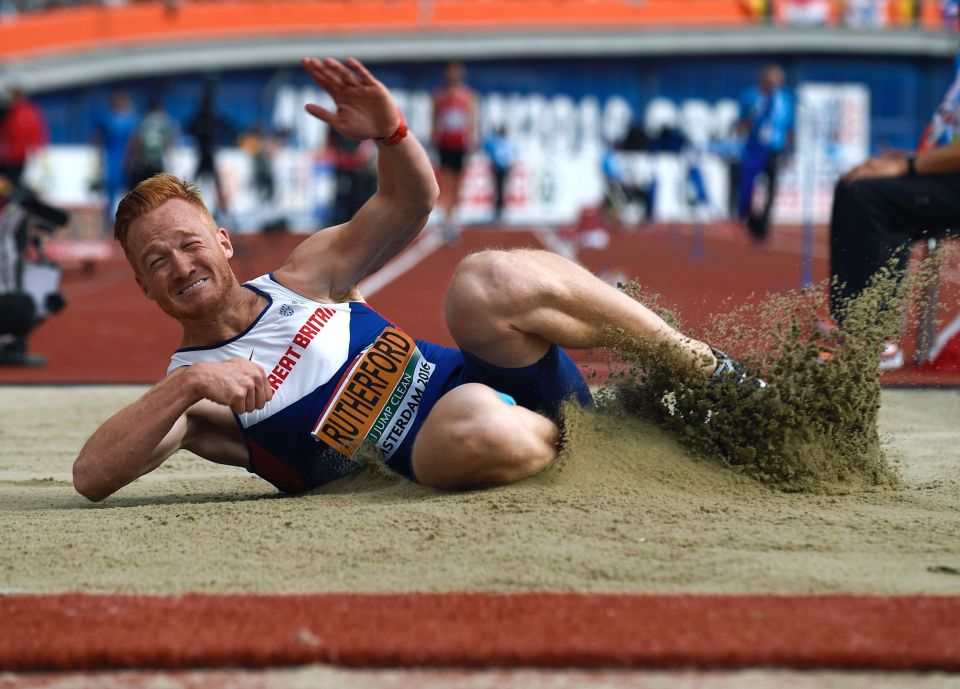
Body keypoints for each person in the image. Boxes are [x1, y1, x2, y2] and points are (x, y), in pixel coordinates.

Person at [71, 57, 759, 503]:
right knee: (468, 424)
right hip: (453, 446)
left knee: (481, 279)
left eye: (189, 244)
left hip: (504, 383)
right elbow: (92, 475)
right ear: (143, 287)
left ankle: (699, 365)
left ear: (221, 241)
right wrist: (191, 381)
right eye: (156, 262)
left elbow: (411, 202)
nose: (181, 266)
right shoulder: (192, 396)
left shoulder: (305, 274)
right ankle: (628, 447)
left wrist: (393, 136)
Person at [828, 51, 960, 370]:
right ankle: (854, 323)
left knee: (868, 197)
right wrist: (907, 159)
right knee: (852, 184)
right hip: (947, 178)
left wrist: (907, 166)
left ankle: (876, 337)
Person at [734, 65, 795, 242]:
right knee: (748, 186)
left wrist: (790, 150)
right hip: (754, 148)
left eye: (779, 79)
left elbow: (790, 127)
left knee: (772, 188)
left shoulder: (786, 99)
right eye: (772, 79)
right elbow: (741, 123)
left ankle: (764, 225)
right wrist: (752, 118)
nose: (775, 83)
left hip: (775, 149)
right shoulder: (751, 96)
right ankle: (750, 218)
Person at [432, 61, 476, 244]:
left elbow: (471, 121)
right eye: (450, 72)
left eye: (456, 72)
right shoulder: (440, 97)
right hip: (445, 145)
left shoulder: (467, 97)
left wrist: (471, 142)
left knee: (457, 186)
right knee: (446, 184)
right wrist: (434, 139)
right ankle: (447, 222)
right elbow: (434, 120)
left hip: (460, 146)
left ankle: (453, 220)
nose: (453, 76)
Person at [93, 90, 139, 229]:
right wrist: (100, 155)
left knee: (128, 187)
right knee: (111, 187)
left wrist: (132, 158)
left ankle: (128, 216)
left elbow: (134, 140)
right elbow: (99, 137)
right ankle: (109, 219)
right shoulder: (107, 118)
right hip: (111, 156)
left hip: (126, 156)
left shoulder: (131, 119)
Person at [188, 80, 232, 218]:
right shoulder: (205, 118)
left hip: (207, 154)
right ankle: (189, 207)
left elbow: (226, 128)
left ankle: (223, 211)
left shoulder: (208, 117)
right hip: (205, 154)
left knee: (208, 184)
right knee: (196, 184)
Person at [0, 83, 48, 187]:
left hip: (17, 157)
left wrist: (36, 150)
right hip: (7, 156)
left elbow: (34, 133)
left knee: (12, 184)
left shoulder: (25, 112)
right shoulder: (8, 111)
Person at [128, 96, 178, 188]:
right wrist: (171, 159)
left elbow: (137, 141)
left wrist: (134, 159)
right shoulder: (166, 121)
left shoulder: (143, 120)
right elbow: (168, 141)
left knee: (144, 186)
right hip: (158, 159)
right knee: (158, 187)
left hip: (145, 159)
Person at [481, 124, 515, 222]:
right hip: (499, 168)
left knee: (500, 188)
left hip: (502, 168)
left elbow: (509, 155)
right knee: (499, 188)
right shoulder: (501, 142)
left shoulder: (502, 142)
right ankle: (498, 208)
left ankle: (499, 208)